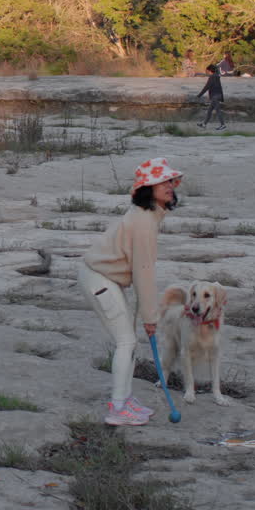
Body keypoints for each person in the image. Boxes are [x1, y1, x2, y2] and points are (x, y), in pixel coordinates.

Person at [79, 158, 183, 426]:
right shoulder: (144, 222)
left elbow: (139, 272)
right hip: (98, 279)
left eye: (170, 181)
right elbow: (144, 272)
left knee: (129, 340)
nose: (169, 186)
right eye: (162, 182)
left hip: (108, 279)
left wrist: (144, 315)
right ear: (148, 188)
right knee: (126, 341)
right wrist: (150, 317)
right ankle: (117, 408)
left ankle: (125, 398)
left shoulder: (148, 215)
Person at [196, 64, 226, 130]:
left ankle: (223, 125)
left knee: (218, 111)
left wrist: (199, 95)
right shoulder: (217, 76)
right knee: (209, 110)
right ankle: (204, 124)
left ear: (210, 70)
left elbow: (206, 87)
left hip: (215, 96)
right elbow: (220, 87)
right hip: (217, 95)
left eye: (207, 71)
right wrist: (221, 97)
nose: (207, 72)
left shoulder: (212, 77)